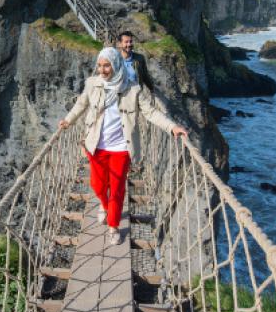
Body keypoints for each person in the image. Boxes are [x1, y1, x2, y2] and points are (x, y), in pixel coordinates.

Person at [59, 47, 187, 246]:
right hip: (96, 145)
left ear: (116, 64)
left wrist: (172, 127)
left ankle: (113, 227)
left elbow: (151, 112)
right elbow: (81, 104)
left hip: (121, 148)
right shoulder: (92, 84)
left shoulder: (133, 89)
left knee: (117, 189)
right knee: (98, 186)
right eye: (100, 66)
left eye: (106, 65)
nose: (102, 70)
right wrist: (68, 120)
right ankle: (104, 205)